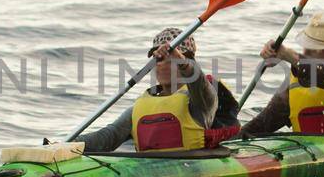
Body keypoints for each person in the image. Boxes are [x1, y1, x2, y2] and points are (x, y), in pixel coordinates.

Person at [73, 28, 242, 153]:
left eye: (168, 57)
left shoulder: (202, 100)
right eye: (157, 58)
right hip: (147, 170)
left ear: (187, 60)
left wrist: (182, 62)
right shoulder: (143, 104)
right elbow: (108, 137)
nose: (160, 63)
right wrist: (68, 145)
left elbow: (198, 81)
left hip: (193, 168)